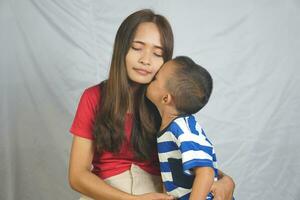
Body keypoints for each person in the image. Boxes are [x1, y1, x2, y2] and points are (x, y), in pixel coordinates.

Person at [68, 9, 235, 200]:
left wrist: (224, 179)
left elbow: (190, 156)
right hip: (108, 193)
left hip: (158, 191)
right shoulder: (94, 97)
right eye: (137, 48)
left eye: (157, 53)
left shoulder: (167, 103)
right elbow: (77, 176)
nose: (145, 60)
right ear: (122, 48)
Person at [147, 56, 231, 200]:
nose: (151, 78)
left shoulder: (183, 128)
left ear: (166, 98)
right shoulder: (171, 129)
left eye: (155, 78)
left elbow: (206, 172)